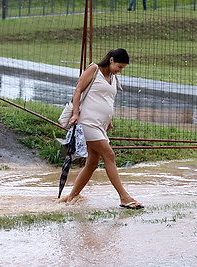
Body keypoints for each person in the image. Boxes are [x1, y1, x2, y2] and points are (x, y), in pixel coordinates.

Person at [59, 48, 144, 209]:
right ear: (111, 60)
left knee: (92, 163)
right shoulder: (94, 69)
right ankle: (124, 197)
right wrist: (75, 114)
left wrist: (108, 120)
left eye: (122, 68)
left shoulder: (112, 77)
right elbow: (78, 91)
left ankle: (71, 198)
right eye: (119, 67)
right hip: (87, 122)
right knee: (109, 154)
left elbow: (107, 100)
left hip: (101, 125)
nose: (120, 71)